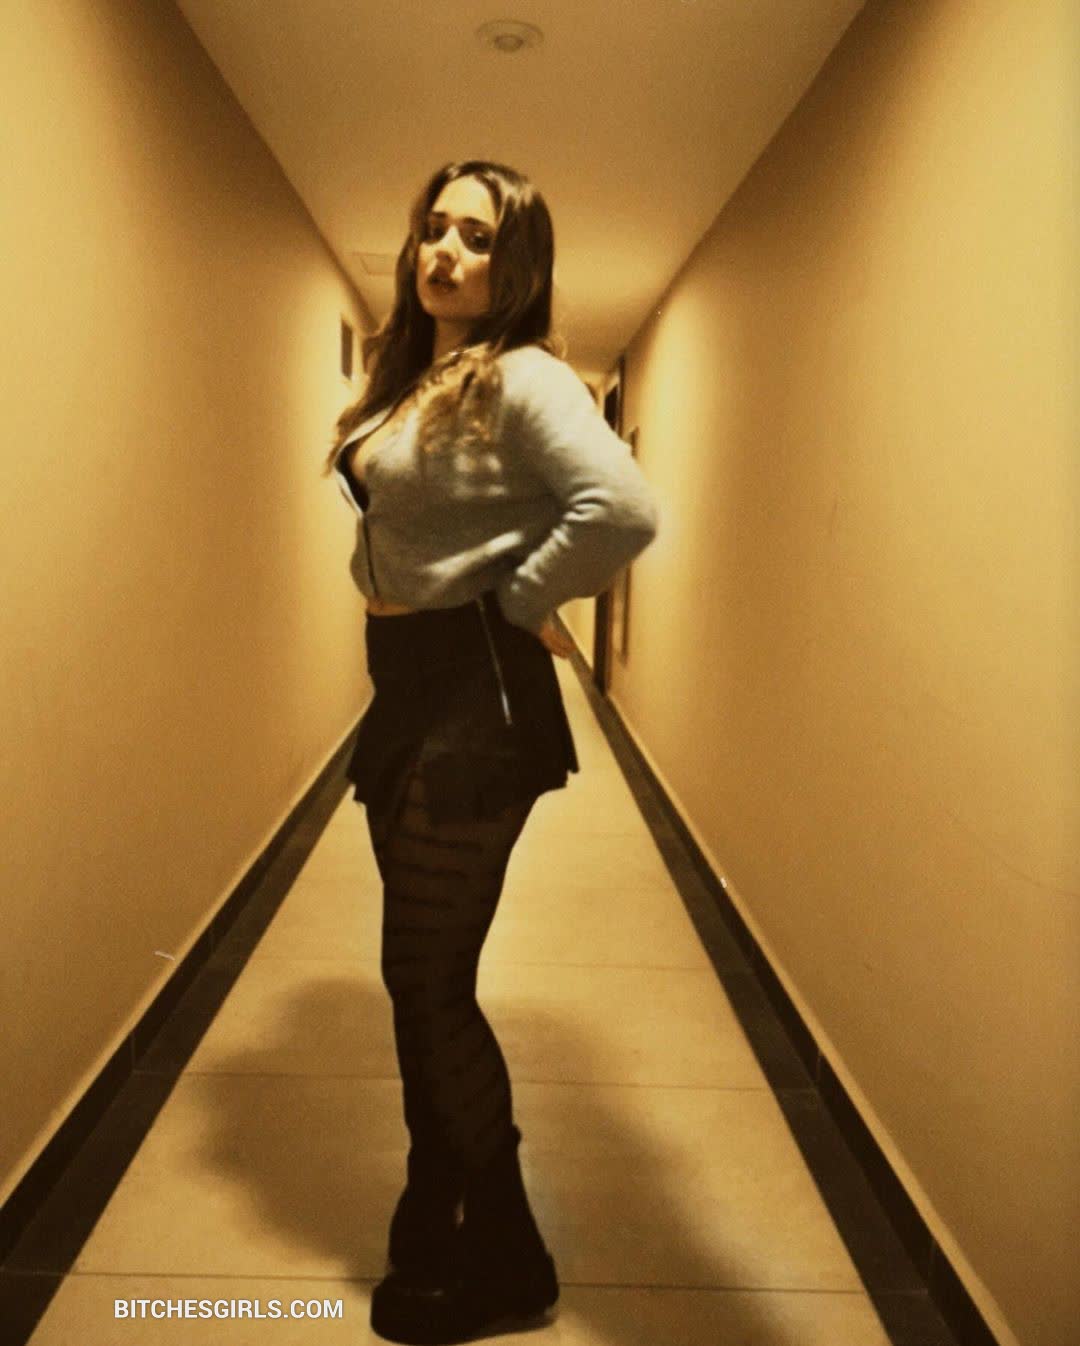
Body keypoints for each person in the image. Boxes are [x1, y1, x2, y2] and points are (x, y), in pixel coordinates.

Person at [323, 159, 659, 1344]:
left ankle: (510, 1252)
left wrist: (517, 597)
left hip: (475, 691)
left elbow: (622, 509)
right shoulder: (416, 376)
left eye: (477, 235)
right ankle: (439, 1189)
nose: (446, 250)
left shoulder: (524, 375)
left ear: (515, 266)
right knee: (416, 976)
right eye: (435, 227)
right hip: (408, 688)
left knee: (428, 979)